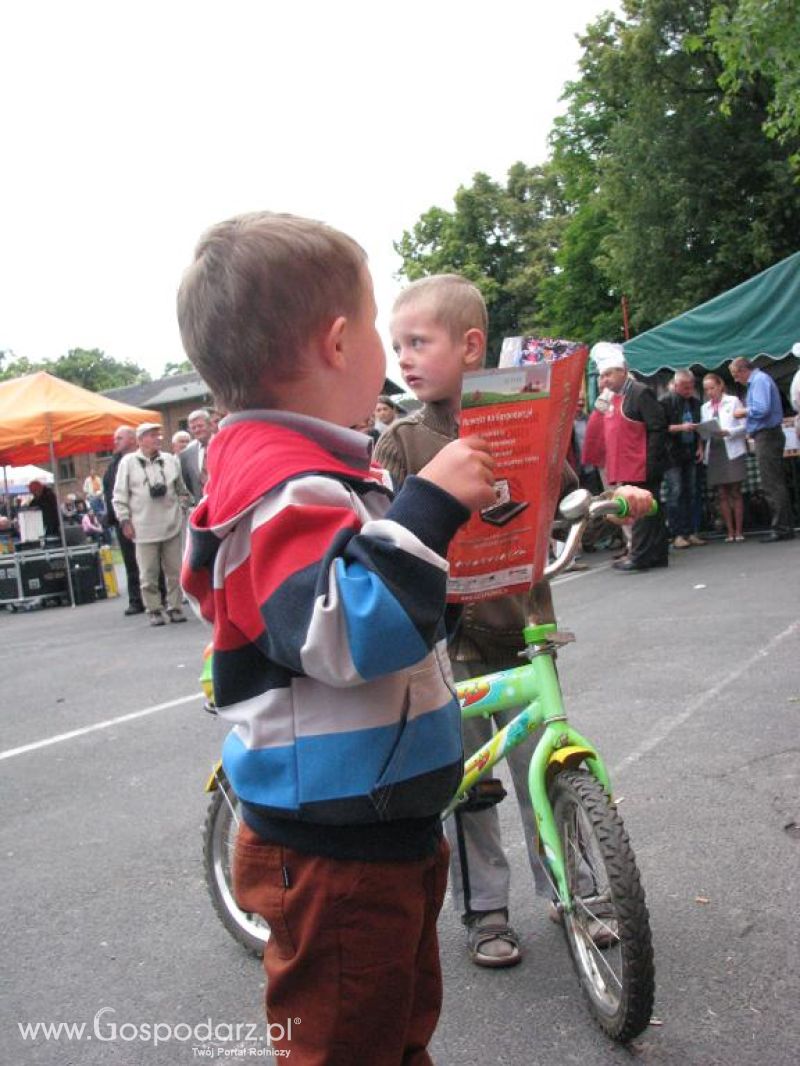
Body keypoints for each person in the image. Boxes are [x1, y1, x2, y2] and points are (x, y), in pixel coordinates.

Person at [177, 211, 497, 1063]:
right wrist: (427, 506)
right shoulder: (279, 484)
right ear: (337, 342)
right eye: (378, 332)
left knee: (392, 1032)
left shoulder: (316, 472)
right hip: (333, 848)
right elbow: (343, 633)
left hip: (375, 826)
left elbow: (381, 617)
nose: (392, 362)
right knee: (348, 1045)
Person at [375, 276, 652, 966]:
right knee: (473, 783)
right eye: (396, 346)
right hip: (454, 639)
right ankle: (487, 912)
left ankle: (575, 889)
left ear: (472, 346)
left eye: (418, 342)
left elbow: (565, 494)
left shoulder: (521, 415)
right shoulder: (404, 439)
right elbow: (384, 532)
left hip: (526, 625)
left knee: (544, 769)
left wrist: (613, 500)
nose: (404, 358)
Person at [591, 343, 669, 572]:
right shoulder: (616, 397)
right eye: (602, 375)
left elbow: (657, 427)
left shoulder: (639, 391)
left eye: (607, 374)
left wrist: (651, 462)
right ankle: (657, 555)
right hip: (630, 463)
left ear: (622, 370)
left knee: (640, 511)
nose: (604, 380)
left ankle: (640, 556)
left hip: (642, 463)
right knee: (651, 511)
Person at [113, 422, 191, 626]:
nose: (158, 438)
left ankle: (175, 607)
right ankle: (154, 609)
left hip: (171, 524)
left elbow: (182, 489)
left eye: (158, 434)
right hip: (142, 526)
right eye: (152, 435)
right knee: (148, 573)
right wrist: (124, 520)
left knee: (175, 571)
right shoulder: (128, 463)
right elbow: (119, 495)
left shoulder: (170, 461)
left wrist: (182, 506)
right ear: (140, 440)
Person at [730, 357, 795, 542]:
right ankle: (784, 525)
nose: (736, 379)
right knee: (775, 481)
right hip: (769, 434)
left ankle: (781, 527)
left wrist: (743, 412)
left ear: (744, 370)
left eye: (736, 375)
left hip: (767, 435)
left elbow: (761, 408)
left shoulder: (758, 381)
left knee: (771, 483)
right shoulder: (762, 379)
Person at [660, 370, 705, 549]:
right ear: (676, 385)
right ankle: (677, 533)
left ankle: (692, 531)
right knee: (676, 492)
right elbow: (661, 427)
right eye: (685, 387)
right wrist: (681, 427)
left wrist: (701, 446)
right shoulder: (665, 401)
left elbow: (700, 427)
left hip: (691, 450)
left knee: (692, 491)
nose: (689, 390)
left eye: (691, 386)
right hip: (672, 454)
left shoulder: (696, 403)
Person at [700, 373, 748, 542]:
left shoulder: (733, 401)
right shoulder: (705, 407)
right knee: (722, 493)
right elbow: (704, 431)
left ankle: (739, 531)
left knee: (735, 491)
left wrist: (728, 431)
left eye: (712, 387)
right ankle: (729, 531)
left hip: (731, 447)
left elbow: (744, 426)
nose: (710, 392)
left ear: (720, 386)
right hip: (714, 449)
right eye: (706, 389)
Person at [104, 425, 146, 615]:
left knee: (149, 560)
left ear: (131, 439)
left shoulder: (142, 459)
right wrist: (115, 518)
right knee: (130, 562)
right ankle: (136, 599)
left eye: (119, 438)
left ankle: (157, 596)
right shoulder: (113, 465)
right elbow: (110, 492)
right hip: (122, 519)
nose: (115, 442)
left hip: (143, 517)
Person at [179, 408, 216, 503]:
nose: (197, 430)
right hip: (202, 507)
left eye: (200, 426)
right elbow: (189, 484)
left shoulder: (224, 444)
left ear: (210, 425)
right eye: (193, 428)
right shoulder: (186, 455)